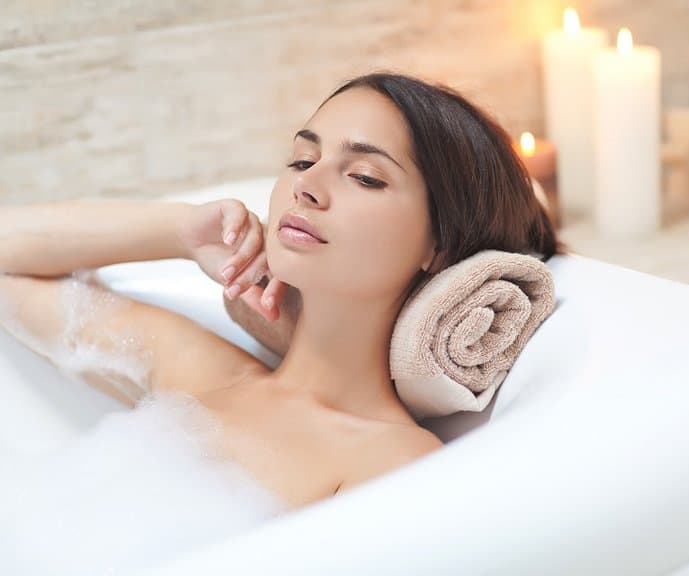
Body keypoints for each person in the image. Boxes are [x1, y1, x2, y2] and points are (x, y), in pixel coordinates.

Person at [0, 71, 567, 510]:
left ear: (439, 247)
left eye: (365, 176)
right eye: (303, 158)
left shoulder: (394, 458)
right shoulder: (199, 374)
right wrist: (180, 232)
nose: (307, 186)